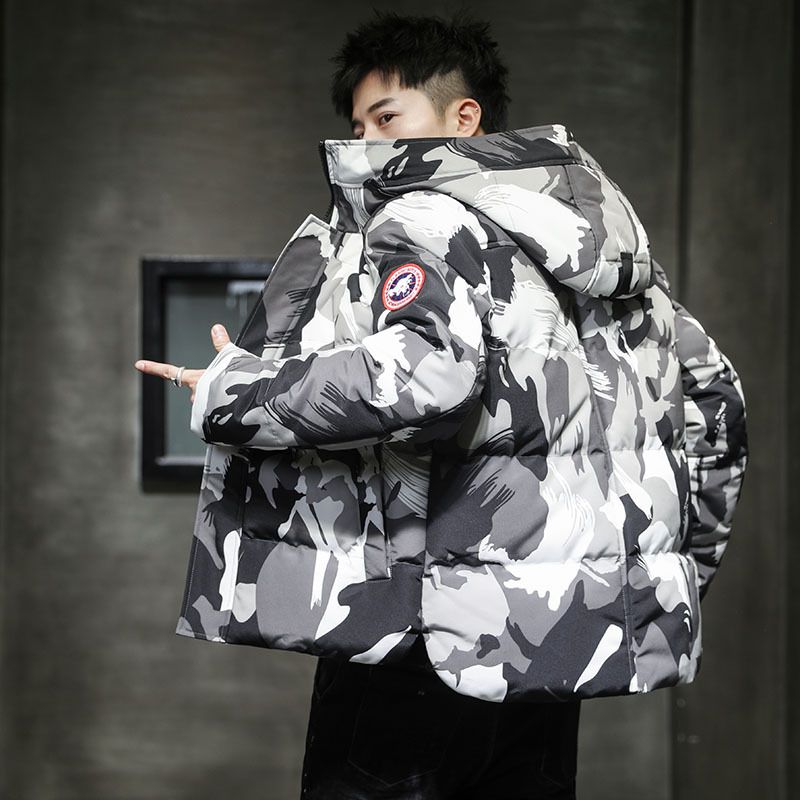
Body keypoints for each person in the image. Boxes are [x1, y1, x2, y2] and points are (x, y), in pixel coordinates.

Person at [134, 12, 748, 799]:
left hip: (421, 628)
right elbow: (714, 403)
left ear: (464, 118)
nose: (366, 143)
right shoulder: (606, 244)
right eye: (358, 124)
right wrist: (666, 575)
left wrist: (234, 389)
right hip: (553, 636)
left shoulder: (424, 211)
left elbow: (425, 373)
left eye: (387, 118)